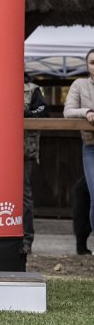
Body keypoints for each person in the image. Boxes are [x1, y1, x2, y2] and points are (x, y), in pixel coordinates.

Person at [63, 48, 94, 256]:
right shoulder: (79, 85)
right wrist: (87, 112)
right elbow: (68, 111)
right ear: (87, 66)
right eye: (92, 62)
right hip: (90, 146)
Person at [22, 76, 48, 255]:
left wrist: (26, 113)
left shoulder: (32, 89)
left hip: (25, 150)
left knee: (24, 194)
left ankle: (26, 239)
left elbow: (44, 112)